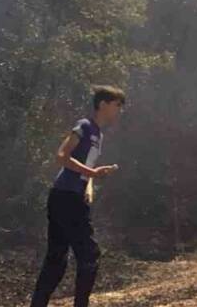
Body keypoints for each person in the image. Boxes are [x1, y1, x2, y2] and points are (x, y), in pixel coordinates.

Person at [30, 85, 125, 307]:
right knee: (89, 255)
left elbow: (86, 168)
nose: (119, 110)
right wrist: (92, 172)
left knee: (56, 261)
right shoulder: (84, 126)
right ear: (102, 104)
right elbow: (62, 156)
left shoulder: (98, 134)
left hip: (70, 197)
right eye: (117, 105)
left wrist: (89, 185)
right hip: (65, 197)